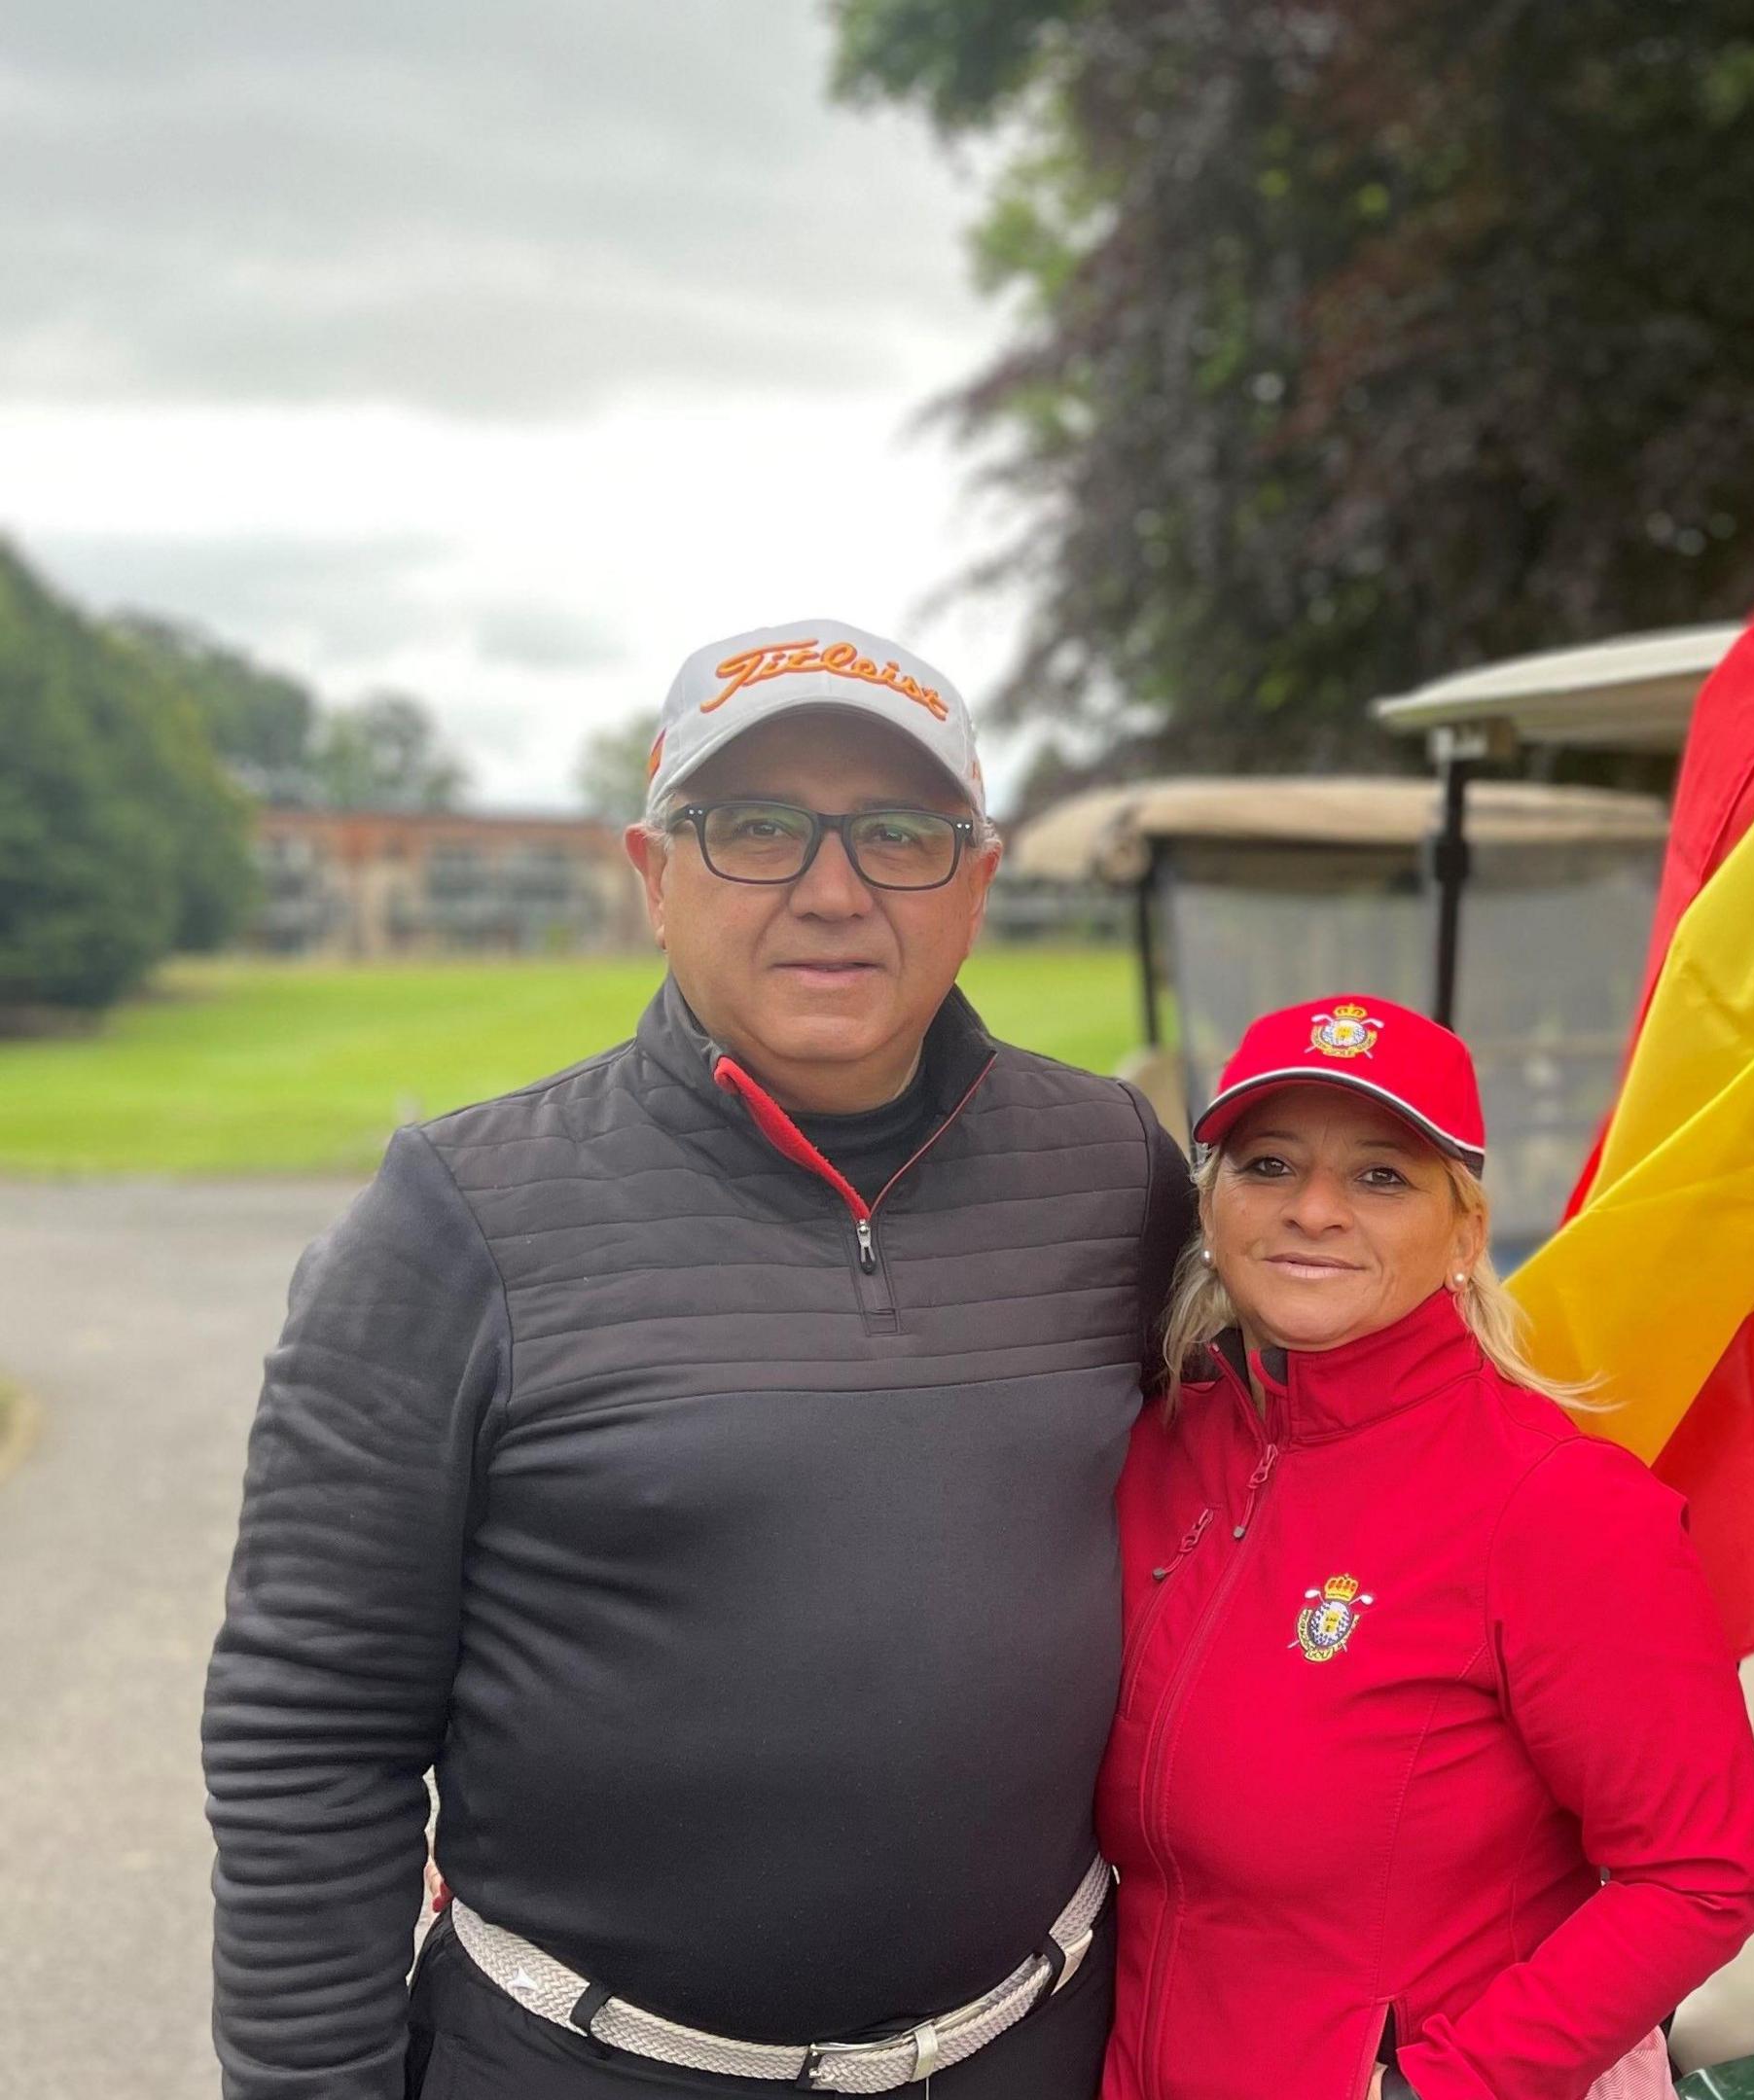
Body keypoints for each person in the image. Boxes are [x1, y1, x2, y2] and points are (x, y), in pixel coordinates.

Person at [203, 621, 1193, 2099]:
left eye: (902, 832)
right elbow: (309, 1728)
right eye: (757, 828)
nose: (834, 888)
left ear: (977, 882)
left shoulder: (1110, 1167)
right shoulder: (450, 1219)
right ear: (653, 875)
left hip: (1032, 2048)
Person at [1104, 998, 1754, 2100]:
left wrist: (1445, 2086)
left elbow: (1703, 1874)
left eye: (1381, 1175)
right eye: (1269, 1162)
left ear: (1466, 1231)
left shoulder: (1558, 1506)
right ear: (1212, 1204)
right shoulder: (1158, 1443)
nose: (1314, 1209)